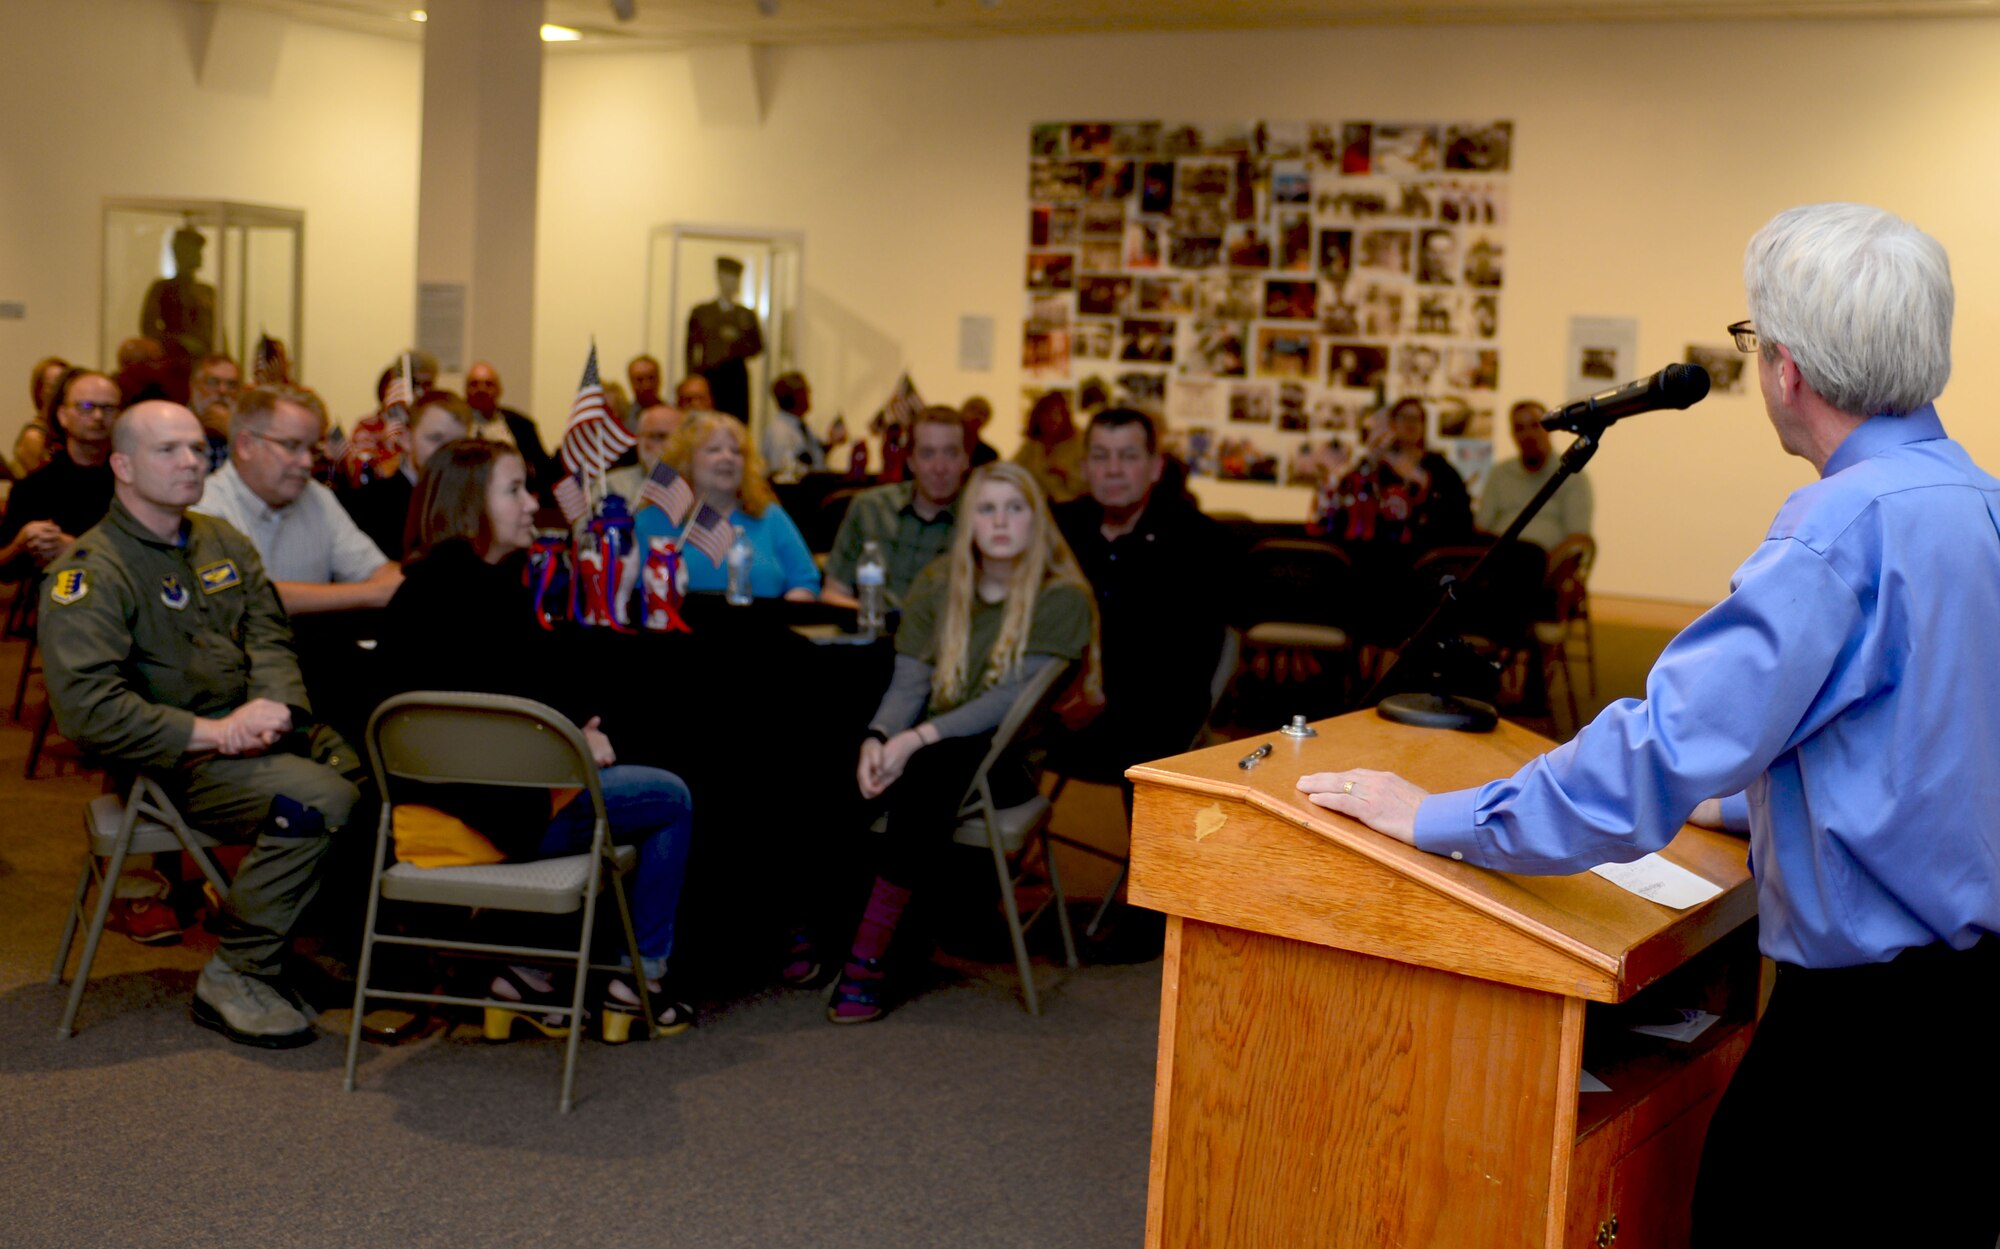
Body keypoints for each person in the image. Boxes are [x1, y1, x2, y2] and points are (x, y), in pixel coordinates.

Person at [1297, 204, 2000, 1249]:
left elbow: (1652, 753)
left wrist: (1440, 817)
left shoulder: (1836, 531)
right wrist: (1756, 802)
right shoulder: (1973, 501)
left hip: (1859, 1035)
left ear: (1787, 369)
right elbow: (1921, 740)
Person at [41, 400, 367, 1049]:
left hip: (256, 735)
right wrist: (218, 733)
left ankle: (300, 937)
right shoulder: (90, 571)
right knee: (317, 800)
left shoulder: (221, 540)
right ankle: (238, 968)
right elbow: (90, 709)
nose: (190, 461)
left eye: (197, 449)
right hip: (177, 757)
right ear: (122, 465)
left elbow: (271, 634)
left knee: (365, 769)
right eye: (169, 450)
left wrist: (275, 711)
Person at [383, 439, 695, 1038]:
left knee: (600, 787)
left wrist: (573, 732)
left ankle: (525, 973)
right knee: (670, 797)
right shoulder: (489, 593)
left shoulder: (415, 591)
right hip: (493, 819)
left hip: (419, 815)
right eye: (514, 490)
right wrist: (578, 743)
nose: (532, 504)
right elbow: (521, 714)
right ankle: (641, 983)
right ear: (471, 503)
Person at [820, 462, 1096, 1022]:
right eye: (987, 509)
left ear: (1035, 521)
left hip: (1008, 759)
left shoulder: (1061, 597)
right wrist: (879, 737)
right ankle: (816, 923)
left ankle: (867, 958)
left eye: (1014, 509)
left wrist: (914, 738)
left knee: (929, 767)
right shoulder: (940, 581)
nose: (1000, 522)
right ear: (969, 520)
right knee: (847, 751)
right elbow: (912, 678)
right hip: (935, 737)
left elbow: (1007, 704)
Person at [1052, 408, 1237, 786]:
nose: (1114, 469)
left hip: (1152, 720)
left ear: (1155, 467)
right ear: (1085, 467)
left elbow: (1189, 666)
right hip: (1059, 710)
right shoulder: (1057, 530)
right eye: (1101, 456)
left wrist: (1101, 698)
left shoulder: (1199, 542)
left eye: (1129, 456)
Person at [192, 386, 401, 614]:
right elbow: (244, 596)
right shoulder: (204, 508)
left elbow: (378, 571)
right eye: (291, 446)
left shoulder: (317, 497)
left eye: (312, 449)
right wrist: (374, 593)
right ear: (246, 445)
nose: (306, 462)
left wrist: (389, 585)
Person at [633, 411, 818, 600]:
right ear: (687, 460)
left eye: (736, 451)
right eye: (714, 449)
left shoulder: (769, 515)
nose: (727, 457)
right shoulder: (650, 521)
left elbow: (805, 582)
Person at [821, 406, 969, 609]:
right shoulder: (870, 509)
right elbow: (834, 592)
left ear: (965, 460)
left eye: (950, 454)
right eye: (927, 454)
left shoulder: (981, 520)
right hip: (873, 631)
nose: (939, 468)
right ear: (911, 461)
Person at [0, 368, 119, 580]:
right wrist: (21, 543)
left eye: (108, 408)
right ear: (63, 415)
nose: (98, 416)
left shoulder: (135, 482)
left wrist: (76, 549)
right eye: (86, 407)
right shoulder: (33, 487)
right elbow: (5, 571)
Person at [337, 391, 473, 561]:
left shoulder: (471, 504)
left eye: (458, 444)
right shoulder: (370, 504)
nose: (447, 452)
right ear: (407, 439)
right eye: (436, 439)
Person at [1474, 399, 1594, 554]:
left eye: (1535, 425)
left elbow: (1578, 537)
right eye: (1519, 428)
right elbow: (1481, 527)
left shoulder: (1572, 475)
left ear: (1549, 429)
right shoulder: (1500, 474)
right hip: (1498, 566)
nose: (1528, 434)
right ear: (1513, 434)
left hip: (1547, 570)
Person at [463, 361, 556, 502]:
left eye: (488, 384)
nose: (481, 389)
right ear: (466, 390)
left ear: (499, 390)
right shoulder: (455, 424)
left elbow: (543, 469)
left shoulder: (522, 425)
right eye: (474, 384)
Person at [685, 256, 763, 420]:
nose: (733, 282)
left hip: (736, 380)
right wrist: (692, 378)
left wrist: (736, 341)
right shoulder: (702, 312)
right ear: (720, 277)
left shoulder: (745, 315)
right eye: (728, 277)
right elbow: (690, 349)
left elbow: (757, 346)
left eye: (735, 278)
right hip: (709, 376)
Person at [1014, 390, 1085, 504]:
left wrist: (1065, 475)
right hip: (1037, 508)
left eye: (1057, 413)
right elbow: (1013, 469)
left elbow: (1090, 484)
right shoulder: (1032, 446)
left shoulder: (1078, 444)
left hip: (1071, 508)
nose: (1052, 419)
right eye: (1047, 413)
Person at [762, 371, 825, 479]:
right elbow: (781, 472)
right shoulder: (780, 433)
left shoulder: (800, 427)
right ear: (798, 395)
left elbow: (813, 457)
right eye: (806, 390)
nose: (810, 394)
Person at [188, 353, 242, 473]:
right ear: (193, 387)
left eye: (231, 385)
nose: (223, 391)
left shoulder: (247, 430)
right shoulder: (175, 427)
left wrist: (232, 432)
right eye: (213, 382)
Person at [960, 395, 1000, 467]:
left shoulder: (989, 455)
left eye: (982, 413)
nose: (976, 416)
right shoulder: (942, 444)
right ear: (962, 411)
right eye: (973, 409)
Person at [627, 354, 664, 427]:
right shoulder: (623, 417)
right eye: (640, 380)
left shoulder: (673, 416)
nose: (647, 385)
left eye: (651, 378)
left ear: (659, 379)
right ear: (631, 382)